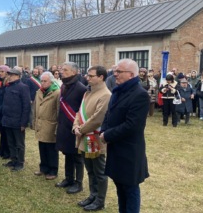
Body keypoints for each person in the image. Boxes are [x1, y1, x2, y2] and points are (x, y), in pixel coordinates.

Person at [99, 58, 149, 213]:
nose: (115, 74)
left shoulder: (140, 95)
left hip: (129, 149)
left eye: (119, 72)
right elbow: (109, 113)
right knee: (119, 184)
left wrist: (107, 135)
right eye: (115, 71)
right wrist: (104, 129)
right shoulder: (118, 90)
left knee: (130, 187)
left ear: (131, 74)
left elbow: (132, 125)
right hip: (116, 146)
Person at [73, 65, 111, 211]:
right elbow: (79, 112)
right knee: (90, 169)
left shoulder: (106, 95)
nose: (87, 78)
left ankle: (99, 200)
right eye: (87, 75)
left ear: (101, 77)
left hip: (94, 139)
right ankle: (92, 195)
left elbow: (97, 119)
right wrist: (76, 126)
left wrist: (80, 129)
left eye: (91, 76)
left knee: (99, 171)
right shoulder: (87, 93)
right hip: (83, 136)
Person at [55, 62, 87, 194]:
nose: (62, 72)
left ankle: (78, 183)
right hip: (64, 125)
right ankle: (68, 178)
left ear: (74, 72)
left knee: (77, 157)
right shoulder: (64, 85)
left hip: (75, 127)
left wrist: (79, 126)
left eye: (66, 70)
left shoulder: (81, 88)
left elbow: (82, 110)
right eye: (62, 69)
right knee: (67, 153)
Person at [32, 72, 60, 180]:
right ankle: (43, 168)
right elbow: (35, 107)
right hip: (40, 123)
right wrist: (34, 121)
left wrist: (57, 126)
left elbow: (58, 110)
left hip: (50, 124)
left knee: (51, 149)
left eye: (45, 81)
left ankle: (53, 170)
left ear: (51, 81)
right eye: (42, 81)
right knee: (42, 147)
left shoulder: (56, 92)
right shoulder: (39, 92)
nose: (42, 83)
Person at [1, 69, 31, 171]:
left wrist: (24, 122)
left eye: (12, 75)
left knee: (19, 144)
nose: (10, 77)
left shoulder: (23, 87)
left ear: (18, 76)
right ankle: (13, 159)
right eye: (9, 75)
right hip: (8, 120)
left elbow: (26, 106)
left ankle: (20, 162)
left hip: (17, 121)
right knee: (11, 142)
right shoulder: (8, 87)